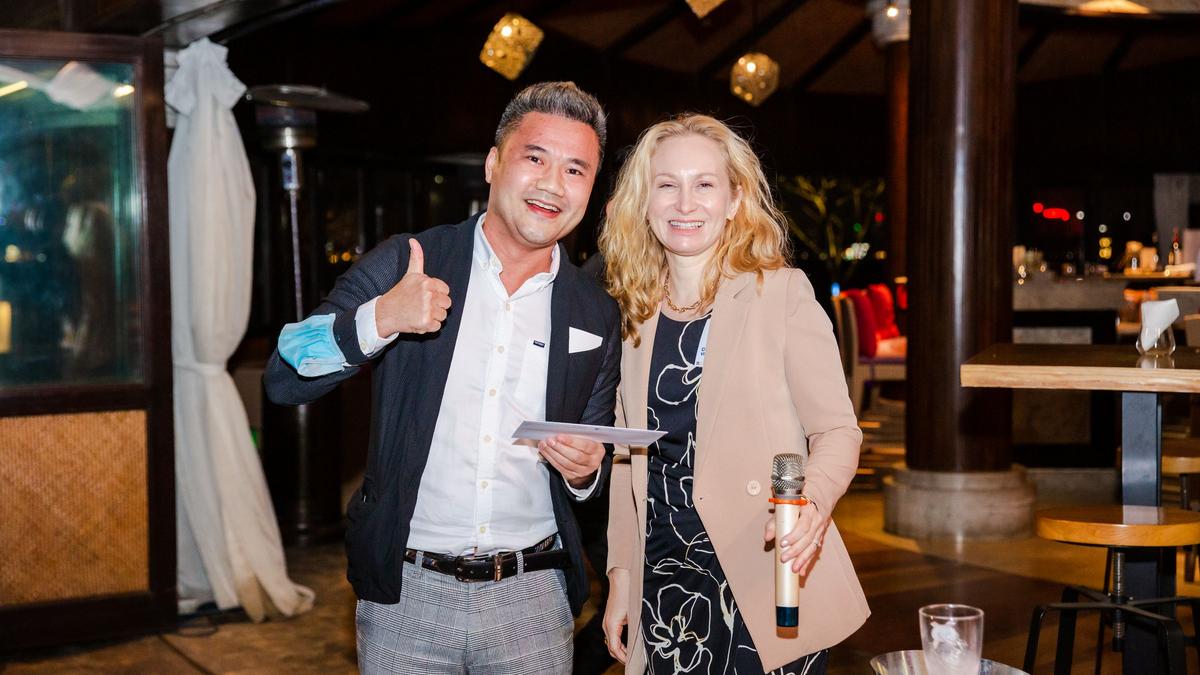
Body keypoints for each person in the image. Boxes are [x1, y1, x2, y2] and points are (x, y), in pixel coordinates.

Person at [264, 81, 621, 674]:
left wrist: (586, 471)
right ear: (493, 164)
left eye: (575, 170)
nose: (553, 184)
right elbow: (285, 376)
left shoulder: (595, 311)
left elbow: (594, 451)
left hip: (534, 596)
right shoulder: (409, 262)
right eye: (535, 158)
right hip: (407, 590)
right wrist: (381, 319)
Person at [598, 114, 868, 674]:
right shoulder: (634, 312)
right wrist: (622, 574)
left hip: (763, 570)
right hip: (665, 579)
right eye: (666, 185)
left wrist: (812, 504)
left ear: (734, 199)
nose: (684, 203)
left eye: (704, 184)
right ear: (644, 201)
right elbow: (627, 458)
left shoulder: (781, 293)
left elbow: (837, 431)